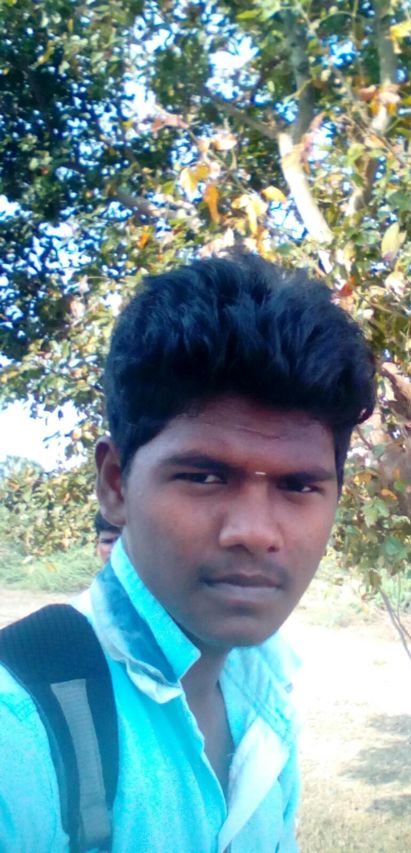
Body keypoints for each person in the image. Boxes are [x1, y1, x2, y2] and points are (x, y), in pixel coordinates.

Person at [0, 254, 376, 851]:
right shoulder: (18, 733)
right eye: (204, 477)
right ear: (116, 485)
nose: (254, 531)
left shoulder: (265, 698)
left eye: (299, 486)